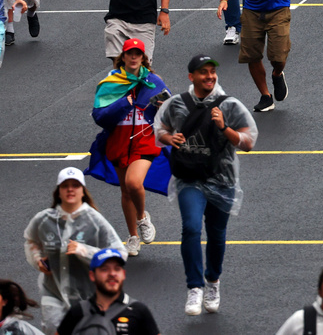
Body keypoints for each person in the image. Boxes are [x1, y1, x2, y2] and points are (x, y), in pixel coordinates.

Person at [155, 54, 258, 316]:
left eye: (212, 71)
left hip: (222, 180)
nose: (210, 76)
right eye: (203, 72)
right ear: (191, 77)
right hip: (189, 178)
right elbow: (160, 130)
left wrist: (225, 128)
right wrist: (170, 138)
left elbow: (248, 142)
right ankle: (194, 287)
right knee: (190, 228)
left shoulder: (230, 105)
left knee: (216, 234)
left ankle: (213, 281)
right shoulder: (176, 104)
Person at [86, 39, 169, 258]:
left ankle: (142, 218)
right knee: (126, 191)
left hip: (144, 138)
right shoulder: (111, 82)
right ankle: (133, 236)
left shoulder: (153, 81)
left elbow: (171, 110)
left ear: (143, 58)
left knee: (134, 182)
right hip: (119, 139)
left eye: (138, 54)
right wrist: (125, 103)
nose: (133, 57)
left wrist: (162, 107)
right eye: (129, 53)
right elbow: (99, 116)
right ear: (122, 57)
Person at [23, 168, 125, 331]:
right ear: (59, 191)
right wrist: (37, 260)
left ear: (82, 191)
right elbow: (31, 241)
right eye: (65, 186)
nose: (70, 189)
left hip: (86, 294)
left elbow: (120, 253)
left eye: (75, 185)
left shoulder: (95, 220)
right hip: (53, 292)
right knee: (52, 328)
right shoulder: (44, 219)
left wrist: (84, 250)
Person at [54, 249, 161, 335]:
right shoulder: (77, 312)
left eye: (117, 269)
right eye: (105, 269)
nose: (112, 274)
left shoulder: (138, 311)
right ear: (92, 275)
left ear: (123, 274)